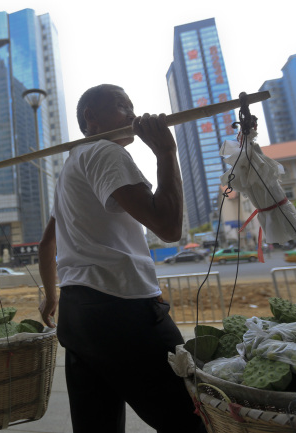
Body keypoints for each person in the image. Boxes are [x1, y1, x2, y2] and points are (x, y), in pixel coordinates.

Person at [38, 84, 205, 433]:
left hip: (77, 316)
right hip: (122, 313)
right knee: (195, 419)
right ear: (91, 118)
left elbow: (46, 245)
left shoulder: (71, 168)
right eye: (120, 105)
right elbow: (169, 226)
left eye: (132, 106)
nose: (131, 114)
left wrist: (52, 296)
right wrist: (165, 152)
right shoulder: (104, 153)